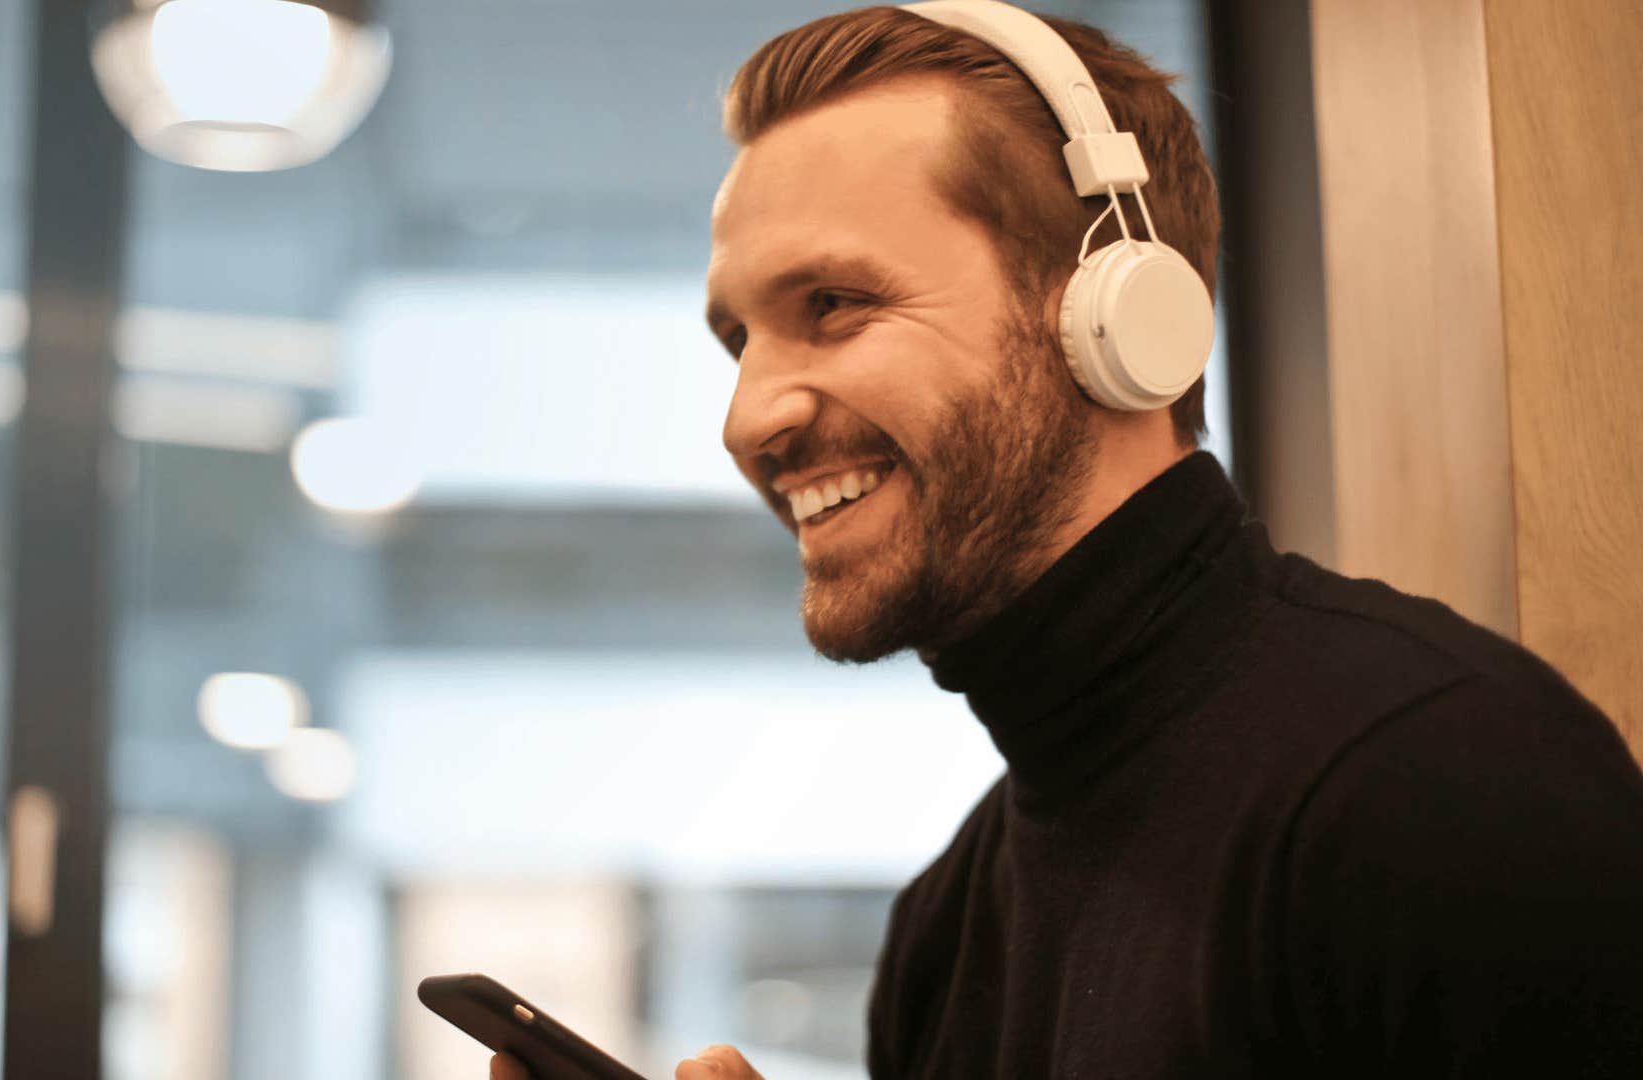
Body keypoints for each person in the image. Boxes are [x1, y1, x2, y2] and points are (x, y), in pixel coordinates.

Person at [490, 2, 1643, 1077]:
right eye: (738, 340)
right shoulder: (946, 926)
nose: (750, 418)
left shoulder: (1434, 783)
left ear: (1119, 313)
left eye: (833, 306)